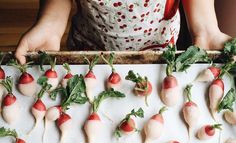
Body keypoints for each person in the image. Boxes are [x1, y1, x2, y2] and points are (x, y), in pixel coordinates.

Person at [15, 0, 231, 64]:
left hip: (157, 49)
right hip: (90, 46)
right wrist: (50, 24)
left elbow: (204, 21)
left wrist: (206, 28)